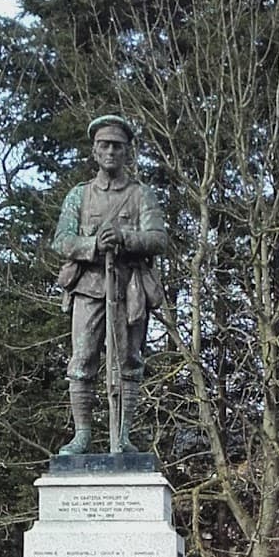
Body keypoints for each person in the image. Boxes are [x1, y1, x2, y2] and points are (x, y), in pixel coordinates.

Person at [53, 114, 167, 454]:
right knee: (83, 359)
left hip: (129, 289)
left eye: (118, 145)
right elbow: (61, 240)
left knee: (129, 362)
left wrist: (125, 238)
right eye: (104, 145)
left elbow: (158, 239)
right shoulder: (80, 195)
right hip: (89, 287)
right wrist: (92, 246)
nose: (111, 151)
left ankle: (123, 437)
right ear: (94, 150)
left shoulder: (141, 195)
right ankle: (83, 434)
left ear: (127, 152)